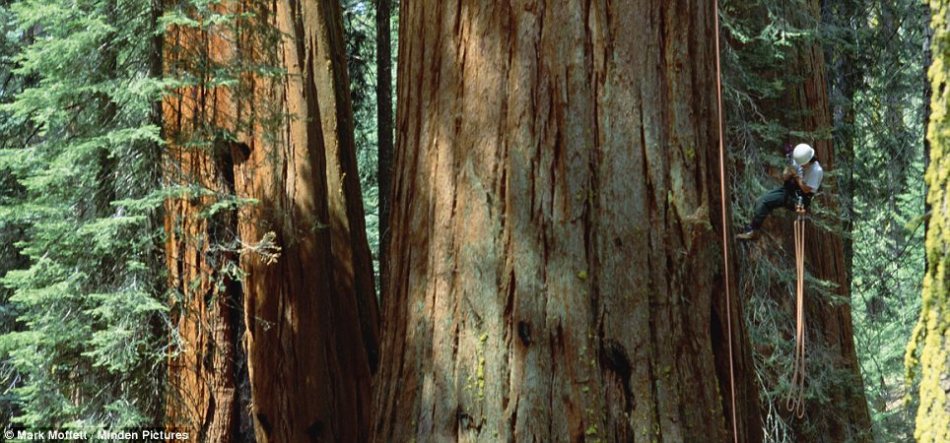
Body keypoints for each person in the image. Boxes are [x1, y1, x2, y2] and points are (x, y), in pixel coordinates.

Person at [737, 143, 823, 240]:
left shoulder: (816, 170)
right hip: (790, 189)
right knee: (761, 200)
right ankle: (754, 226)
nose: (801, 166)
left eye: (802, 164)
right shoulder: (798, 161)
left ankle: (753, 231)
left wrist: (796, 176)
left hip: (800, 198)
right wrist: (788, 173)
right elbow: (785, 176)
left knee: (765, 202)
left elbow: (806, 190)